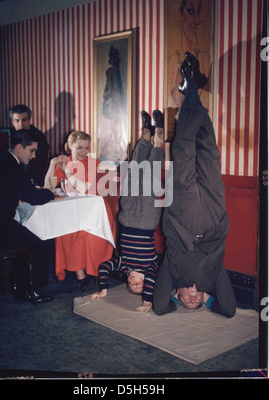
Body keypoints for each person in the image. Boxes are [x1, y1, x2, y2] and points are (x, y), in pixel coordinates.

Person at [153, 52, 237, 318]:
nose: (192, 298)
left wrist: (174, 300)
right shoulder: (212, 280)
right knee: (209, 153)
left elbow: (159, 307)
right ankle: (193, 90)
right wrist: (210, 300)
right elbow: (230, 310)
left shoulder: (173, 275)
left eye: (186, 301)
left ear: (177, 294)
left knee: (185, 150)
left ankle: (191, 83)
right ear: (203, 297)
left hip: (182, 217)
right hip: (214, 219)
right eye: (195, 302)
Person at [91, 112, 165, 312]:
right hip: (147, 220)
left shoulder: (123, 265)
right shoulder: (151, 268)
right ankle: (159, 133)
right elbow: (151, 279)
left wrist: (104, 290)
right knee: (149, 174)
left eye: (130, 285)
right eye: (138, 285)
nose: (133, 283)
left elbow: (104, 267)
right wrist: (147, 300)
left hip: (127, 217)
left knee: (133, 172)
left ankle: (146, 132)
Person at [0, 129, 55, 303]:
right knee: (43, 241)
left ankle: (19, 286)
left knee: (28, 232)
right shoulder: (13, 167)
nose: (34, 156)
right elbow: (35, 198)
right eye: (32, 150)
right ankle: (32, 289)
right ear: (20, 148)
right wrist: (51, 193)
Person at [44, 131, 116, 286]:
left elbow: (84, 189)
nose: (84, 152)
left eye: (86, 148)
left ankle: (92, 273)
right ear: (70, 146)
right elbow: (47, 187)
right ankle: (81, 275)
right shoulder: (64, 162)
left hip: (95, 211)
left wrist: (67, 171)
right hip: (73, 210)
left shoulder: (92, 163)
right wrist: (52, 164)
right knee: (66, 230)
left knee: (85, 233)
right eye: (79, 148)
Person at [9, 104, 49, 186]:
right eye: (17, 120)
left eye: (24, 120)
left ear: (29, 120)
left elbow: (37, 164)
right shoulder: (9, 135)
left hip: (32, 179)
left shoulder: (39, 137)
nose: (21, 124)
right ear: (12, 122)